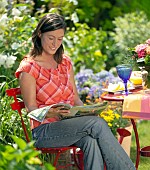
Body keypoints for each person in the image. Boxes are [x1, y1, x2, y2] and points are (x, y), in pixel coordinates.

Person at [15, 13, 135, 170]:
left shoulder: (65, 62)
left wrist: (87, 111)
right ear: (39, 34)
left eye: (60, 39)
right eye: (51, 38)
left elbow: (76, 99)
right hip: (44, 131)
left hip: (69, 125)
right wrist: (50, 113)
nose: (55, 44)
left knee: (90, 140)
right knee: (97, 124)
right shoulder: (29, 68)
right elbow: (31, 109)